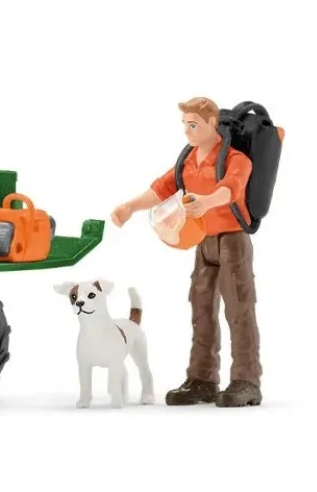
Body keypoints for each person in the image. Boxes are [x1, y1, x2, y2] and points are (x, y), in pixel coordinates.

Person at [110, 97, 262, 407]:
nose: (187, 131)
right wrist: (131, 206)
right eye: (185, 125)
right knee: (201, 309)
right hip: (204, 240)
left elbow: (231, 188)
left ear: (211, 123)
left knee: (238, 310)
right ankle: (202, 378)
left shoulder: (235, 159)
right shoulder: (189, 160)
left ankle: (247, 380)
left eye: (193, 125)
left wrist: (206, 201)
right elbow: (162, 187)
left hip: (232, 240)